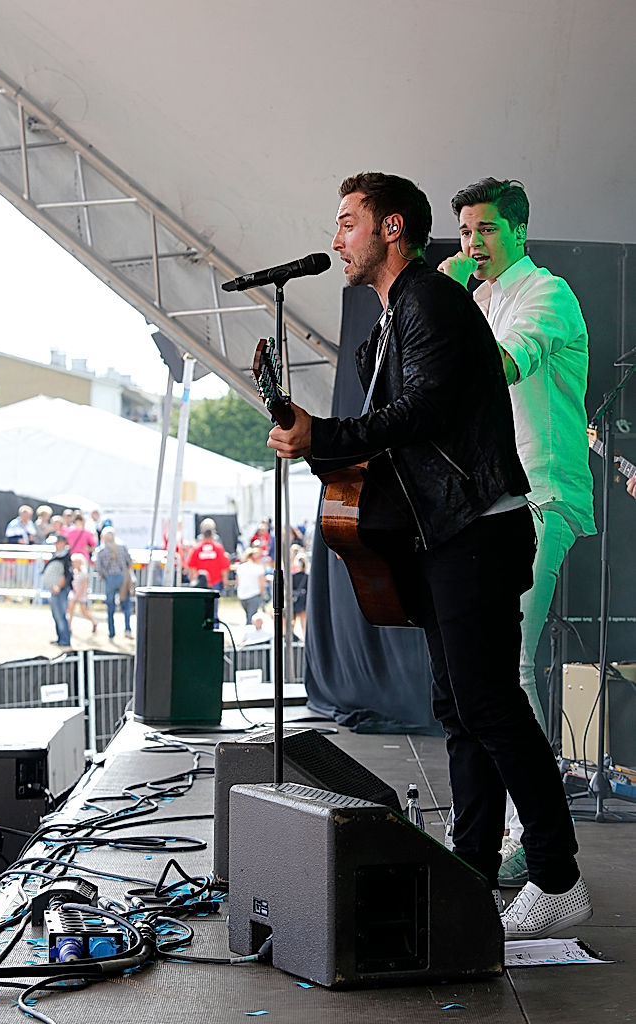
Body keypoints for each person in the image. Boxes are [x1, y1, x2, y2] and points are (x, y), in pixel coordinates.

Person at [267, 171, 591, 939]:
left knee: (491, 703)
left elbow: (421, 414)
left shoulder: (432, 300)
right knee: (458, 708)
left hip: (485, 524)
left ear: (390, 228)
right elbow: (387, 419)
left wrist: (328, 435)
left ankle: (555, 874)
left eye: (348, 221)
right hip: (448, 531)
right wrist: (322, 440)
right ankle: (472, 868)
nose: (335, 237)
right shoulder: (400, 311)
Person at [438, 177, 596, 889]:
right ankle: (498, 833)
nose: (473, 243)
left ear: (520, 233)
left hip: (541, 495)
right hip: (494, 503)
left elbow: (499, 367)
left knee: (502, 677)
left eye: (486, 230)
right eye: (466, 231)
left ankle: (534, 850)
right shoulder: (483, 298)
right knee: (482, 680)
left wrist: (439, 304)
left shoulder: (546, 294)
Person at [95, 526, 133, 640]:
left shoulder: (101, 550)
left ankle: (111, 632)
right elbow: (129, 562)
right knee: (126, 605)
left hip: (110, 579)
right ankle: (127, 629)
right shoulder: (122, 547)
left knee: (110, 606)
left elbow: (98, 567)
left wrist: (105, 577)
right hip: (122, 577)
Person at [42, 533, 73, 647]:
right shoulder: (59, 555)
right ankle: (60, 638)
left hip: (60, 590)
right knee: (57, 615)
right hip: (56, 589)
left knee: (60, 615)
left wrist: (59, 586)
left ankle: (64, 639)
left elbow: (66, 574)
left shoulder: (65, 557)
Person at [186, 527, 230, 593]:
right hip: (215, 581)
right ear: (212, 536)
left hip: (200, 582)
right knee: (214, 602)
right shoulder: (218, 548)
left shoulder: (196, 549)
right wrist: (225, 581)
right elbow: (224, 566)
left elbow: (191, 566)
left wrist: (193, 580)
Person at [67, 553, 98, 634]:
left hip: (82, 594)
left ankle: (94, 622)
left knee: (84, 611)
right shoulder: (74, 571)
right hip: (73, 592)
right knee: (70, 610)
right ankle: (69, 627)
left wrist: (77, 596)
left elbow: (84, 586)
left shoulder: (84, 573)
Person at [234, 547, 266, 624]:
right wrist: (262, 595)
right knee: (251, 618)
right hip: (254, 594)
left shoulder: (240, 567)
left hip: (242, 595)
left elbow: (238, 582)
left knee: (248, 615)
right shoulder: (258, 568)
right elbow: (262, 583)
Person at [291, 554, 308, 638]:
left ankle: (291, 637)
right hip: (304, 600)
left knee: (292, 621)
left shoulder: (292, 577)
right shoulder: (307, 576)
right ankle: (304, 638)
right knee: (303, 622)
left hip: (294, 600)